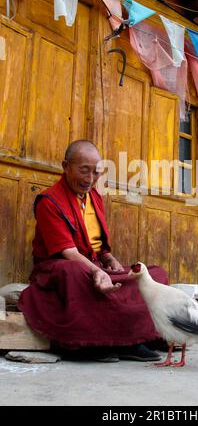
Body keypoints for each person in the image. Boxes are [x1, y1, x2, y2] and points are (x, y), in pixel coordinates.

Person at [18, 140, 168, 362]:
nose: (90, 179)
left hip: (92, 264)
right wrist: (98, 273)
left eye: (96, 172)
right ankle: (94, 344)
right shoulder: (49, 201)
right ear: (65, 166)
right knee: (74, 274)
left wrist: (109, 260)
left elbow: (98, 246)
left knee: (153, 273)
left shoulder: (94, 197)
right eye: (84, 170)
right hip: (59, 268)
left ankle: (132, 340)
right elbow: (68, 252)